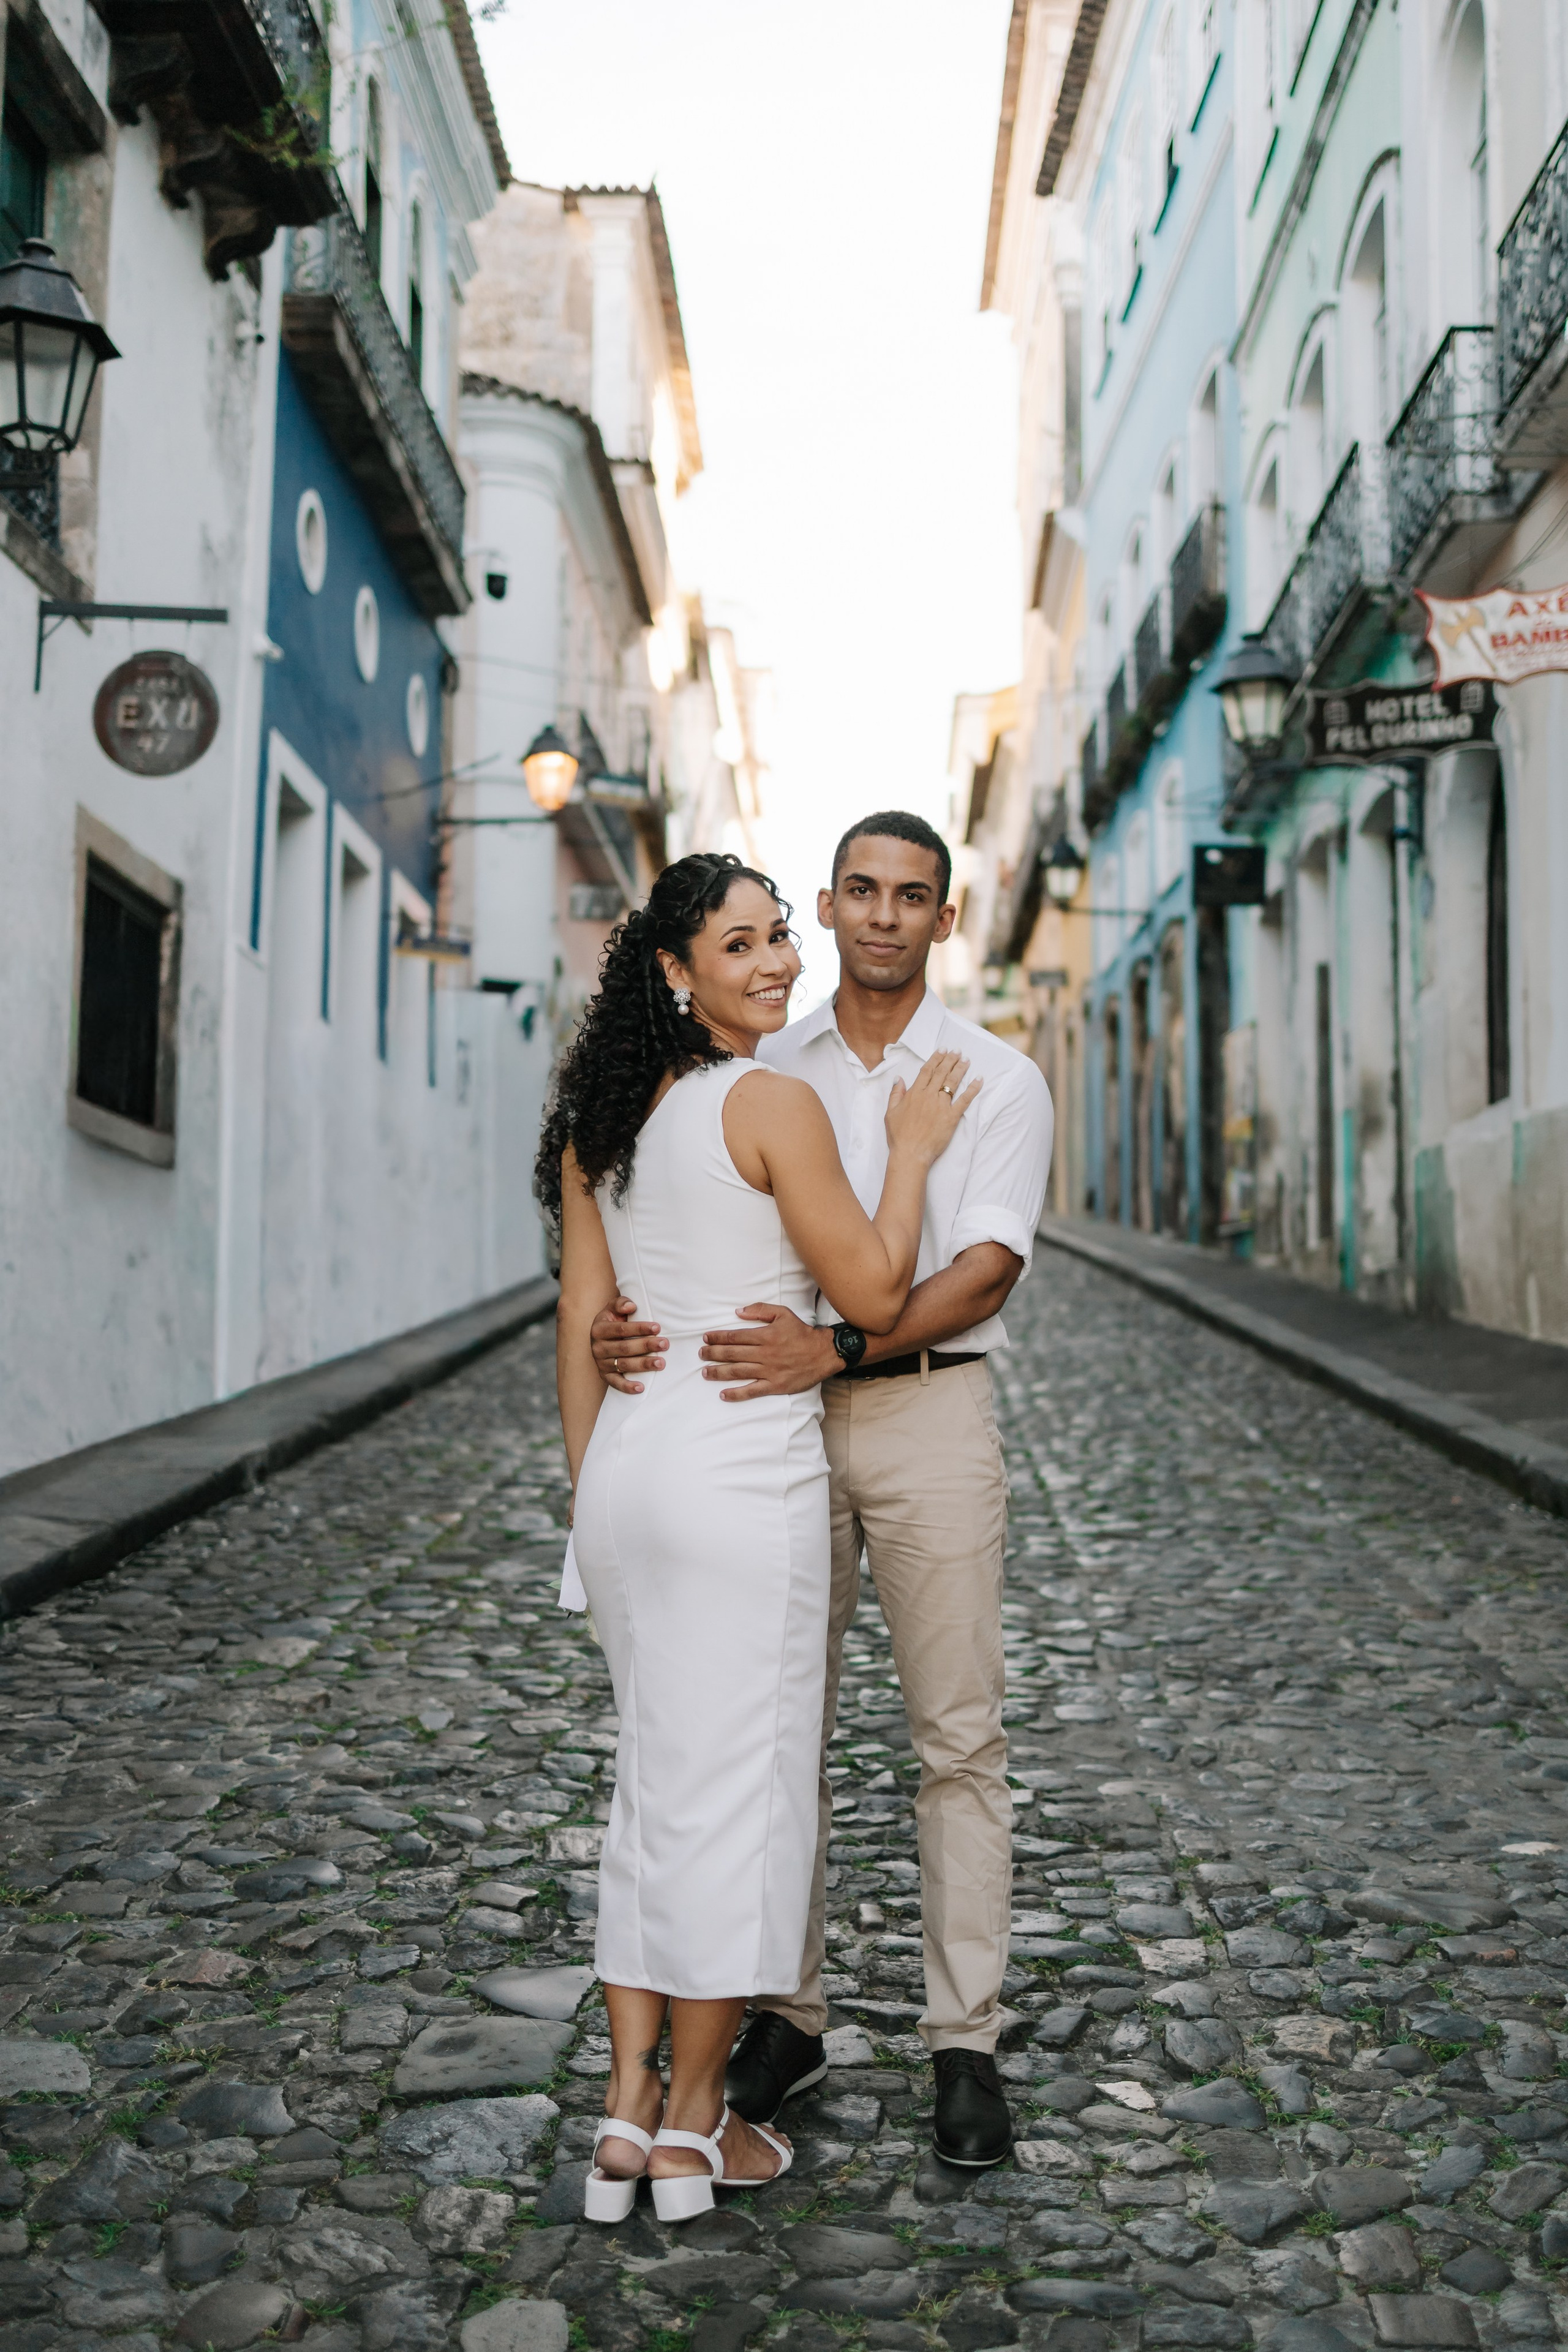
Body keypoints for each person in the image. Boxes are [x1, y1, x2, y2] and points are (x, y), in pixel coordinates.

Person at [590, 811, 1053, 2169]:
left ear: (944, 920)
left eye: (913, 896)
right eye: (858, 891)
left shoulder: (993, 1076)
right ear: (826, 905)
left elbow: (982, 1268)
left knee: (955, 1738)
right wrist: (624, 1325)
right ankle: (784, 2014)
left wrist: (840, 1346)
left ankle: (961, 2039)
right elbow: (670, 1221)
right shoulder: (753, 1058)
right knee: (766, 1732)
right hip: (760, 1438)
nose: (882, 917)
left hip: (924, 1418)